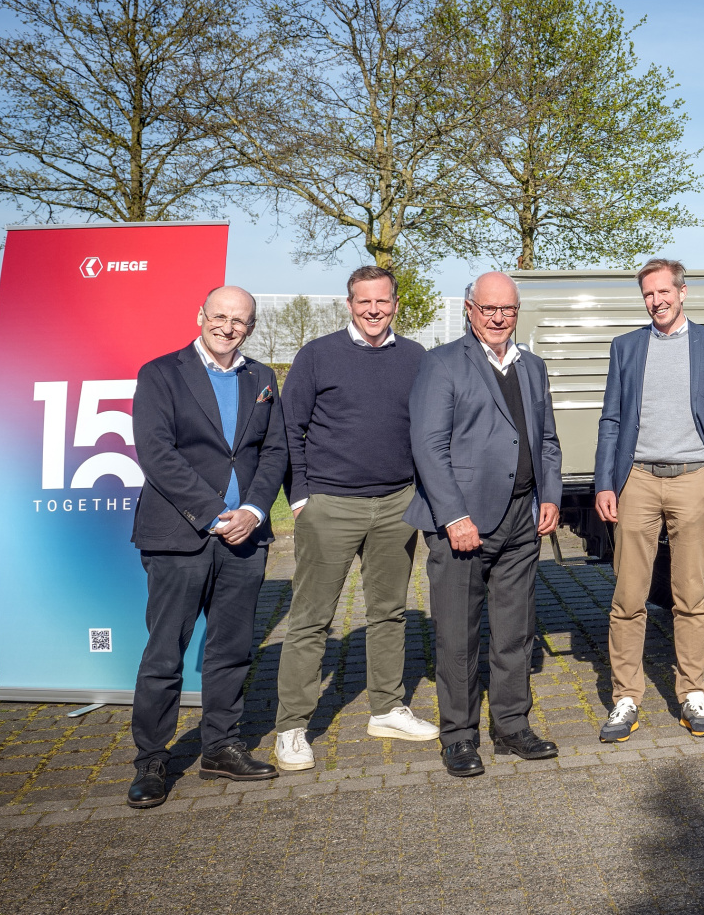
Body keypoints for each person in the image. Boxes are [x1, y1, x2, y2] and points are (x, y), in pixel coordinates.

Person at [124, 285, 288, 808]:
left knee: (233, 649)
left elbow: (274, 450)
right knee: (164, 651)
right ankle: (151, 758)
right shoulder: (161, 373)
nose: (227, 326)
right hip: (180, 536)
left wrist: (254, 512)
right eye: (219, 316)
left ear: (251, 326)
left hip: (245, 537)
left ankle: (221, 746)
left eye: (239, 320)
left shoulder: (262, 378)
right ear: (200, 316)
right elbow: (156, 452)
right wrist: (215, 513)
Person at [272, 266, 437, 773]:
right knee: (311, 619)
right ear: (349, 303)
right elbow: (289, 428)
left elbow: (429, 427)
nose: (373, 310)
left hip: (395, 505)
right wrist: (301, 497)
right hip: (330, 506)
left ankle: (386, 708)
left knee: (388, 611)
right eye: (364, 302)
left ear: (394, 303)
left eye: (382, 302)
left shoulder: (415, 358)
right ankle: (292, 726)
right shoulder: (317, 355)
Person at [407, 272, 563, 777]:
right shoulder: (443, 363)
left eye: (508, 310)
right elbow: (429, 447)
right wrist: (454, 515)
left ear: (518, 313)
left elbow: (547, 440)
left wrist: (550, 496)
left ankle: (512, 724)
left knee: (516, 630)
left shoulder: (533, 367)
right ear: (470, 309)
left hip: (522, 516)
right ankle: (458, 735)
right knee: (457, 634)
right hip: (463, 522)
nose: (499, 318)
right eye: (489, 309)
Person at [592, 259, 704, 743]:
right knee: (628, 596)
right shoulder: (627, 347)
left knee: (690, 595)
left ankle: (692, 693)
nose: (656, 301)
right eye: (648, 295)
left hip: (693, 480)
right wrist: (605, 483)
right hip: (637, 480)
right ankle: (626, 697)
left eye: (663, 292)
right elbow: (611, 420)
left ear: (682, 292)